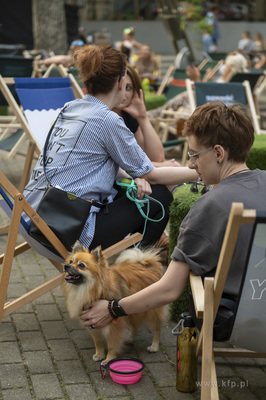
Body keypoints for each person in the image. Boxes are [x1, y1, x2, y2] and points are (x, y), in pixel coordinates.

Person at [79, 100, 266, 330]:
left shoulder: (209, 206)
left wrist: (112, 308)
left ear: (218, 152)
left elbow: (169, 289)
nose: (190, 164)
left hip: (238, 323)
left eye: (195, 155)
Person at [23, 45, 197, 252]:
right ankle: (135, 270)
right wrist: (200, 171)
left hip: (30, 217)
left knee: (131, 189)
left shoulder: (70, 108)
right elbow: (152, 175)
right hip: (66, 230)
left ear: (87, 81)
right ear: (121, 82)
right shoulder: (108, 120)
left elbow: (102, 165)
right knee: (158, 198)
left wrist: (138, 176)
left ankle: (129, 258)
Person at [113, 65, 180, 168]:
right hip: (115, 178)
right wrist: (160, 166)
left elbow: (157, 157)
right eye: (119, 87)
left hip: (132, 174)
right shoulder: (104, 117)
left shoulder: (129, 117)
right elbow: (121, 165)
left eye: (128, 88)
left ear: (135, 92)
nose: (123, 93)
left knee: (173, 169)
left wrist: (142, 118)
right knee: (174, 168)